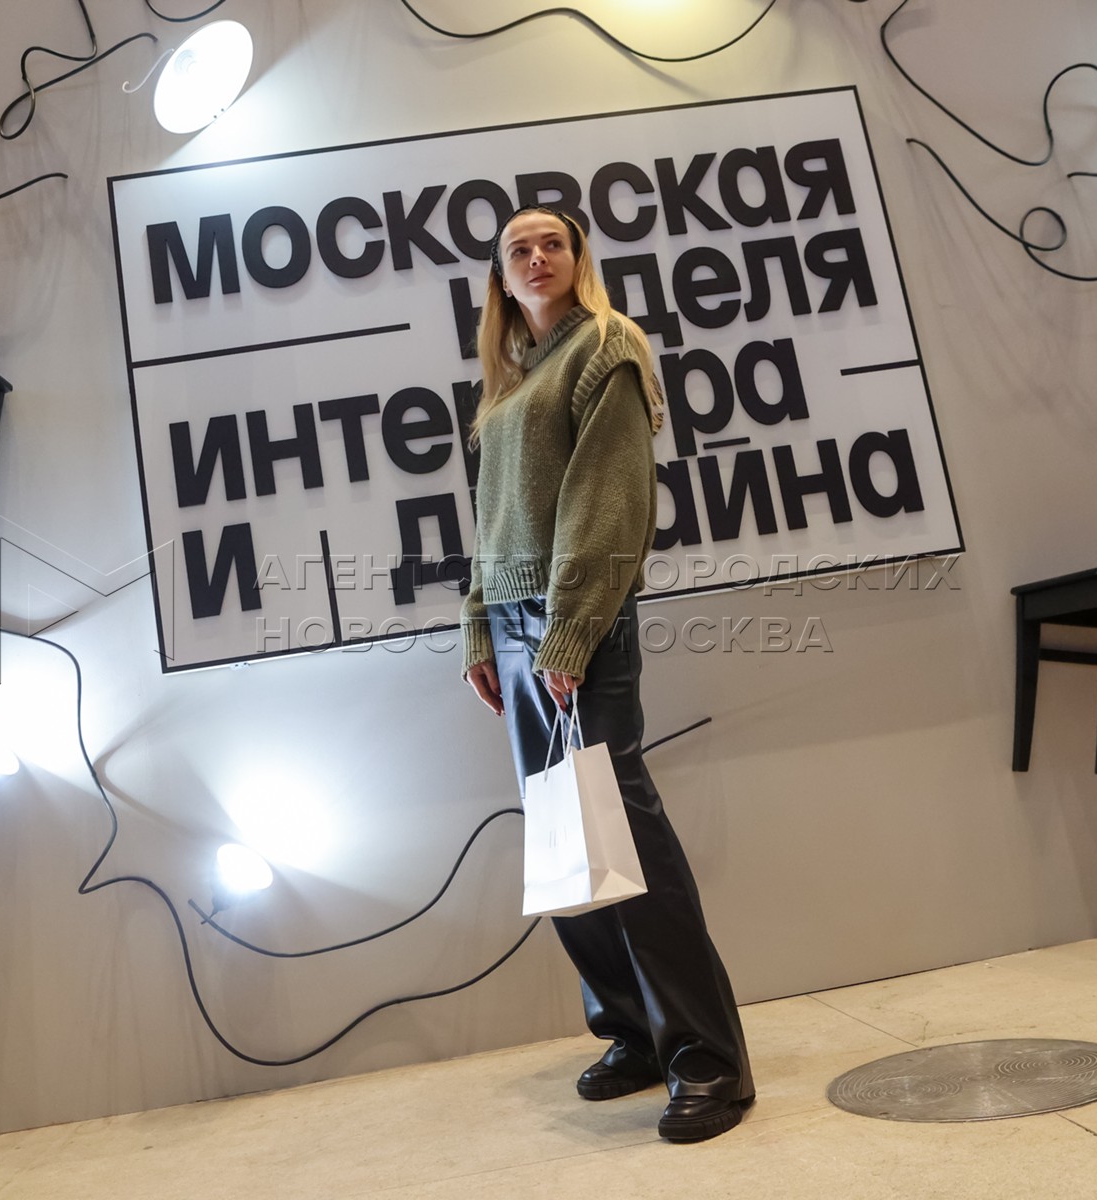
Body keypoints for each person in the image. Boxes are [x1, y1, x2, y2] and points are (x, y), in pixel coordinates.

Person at [459, 206, 755, 1143]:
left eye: (552, 242)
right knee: (564, 834)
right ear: (501, 279)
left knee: (624, 834)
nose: (537, 256)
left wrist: (570, 632)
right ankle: (631, 1030)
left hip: (573, 618)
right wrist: (480, 625)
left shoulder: (605, 346)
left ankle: (707, 1059)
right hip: (517, 623)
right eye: (518, 249)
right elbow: (492, 517)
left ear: (577, 258)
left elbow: (609, 500)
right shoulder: (509, 381)